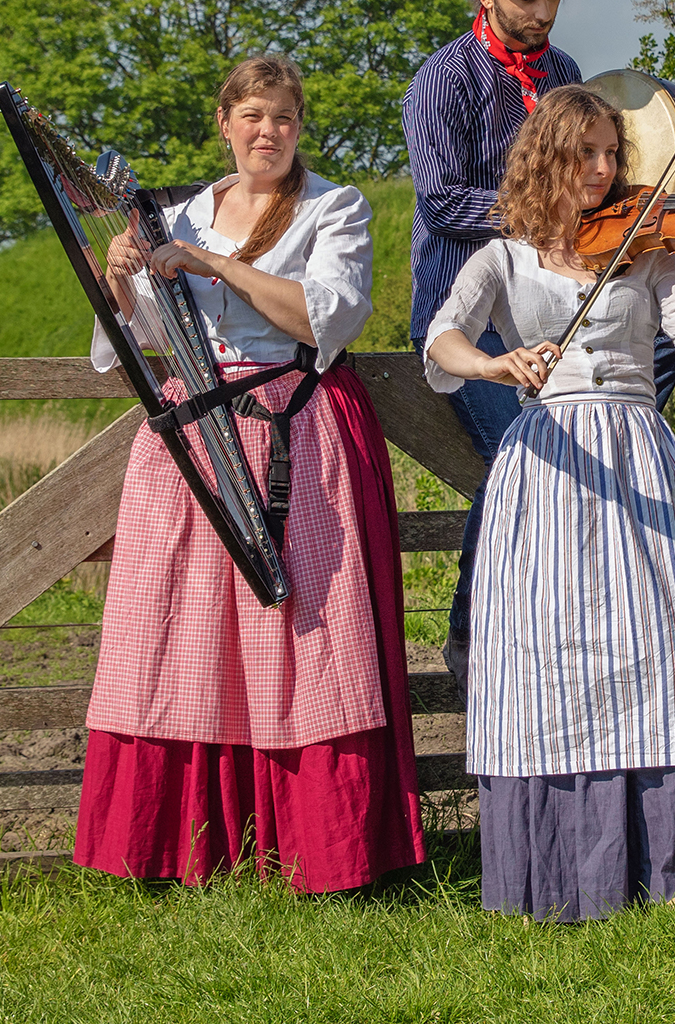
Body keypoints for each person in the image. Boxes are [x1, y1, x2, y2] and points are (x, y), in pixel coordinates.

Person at [425, 83, 675, 921]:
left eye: (612, 154)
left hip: (634, 450)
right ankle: (554, 880)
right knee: (545, 654)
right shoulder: (503, 257)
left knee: (651, 648)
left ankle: (674, 876)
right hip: (544, 461)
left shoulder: (649, 252)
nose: (603, 169)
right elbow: (442, 343)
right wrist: (498, 363)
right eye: (585, 152)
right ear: (547, 156)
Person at [73, 54, 425, 893]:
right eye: (254, 115)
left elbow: (324, 317)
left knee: (299, 629)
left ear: (299, 127)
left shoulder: (333, 207)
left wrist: (212, 263)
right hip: (190, 433)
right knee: (179, 631)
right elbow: (128, 340)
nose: (269, 131)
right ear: (225, 120)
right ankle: (182, 844)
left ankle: (319, 844)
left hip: (291, 426)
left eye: (285, 117)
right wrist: (120, 278)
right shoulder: (177, 211)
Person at [403, 0, 675, 701]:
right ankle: (478, 631)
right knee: (520, 465)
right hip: (466, 315)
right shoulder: (444, 79)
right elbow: (438, 203)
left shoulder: (565, 71)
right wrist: (543, 217)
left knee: (649, 368)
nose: (544, 12)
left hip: (566, 305)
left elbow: (602, 159)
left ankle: (596, 626)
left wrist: (608, 224)